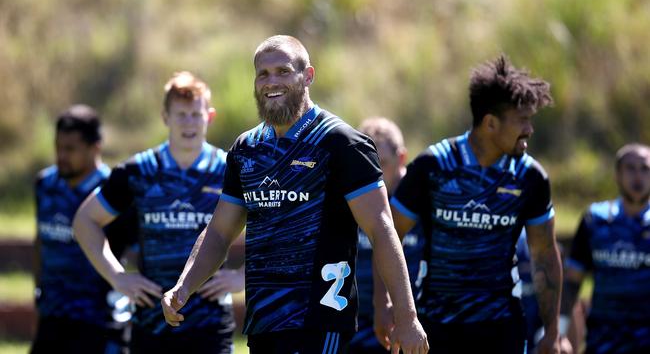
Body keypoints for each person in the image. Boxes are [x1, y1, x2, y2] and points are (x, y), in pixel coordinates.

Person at [161, 35, 429, 354]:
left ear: (308, 76)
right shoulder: (246, 149)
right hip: (263, 325)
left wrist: (406, 315)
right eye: (263, 73)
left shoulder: (341, 143)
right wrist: (184, 285)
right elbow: (219, 232)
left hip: (321, 322)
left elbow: (382, 230)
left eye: (283, 71)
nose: (271, 81)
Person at [384, 55, 563, 354]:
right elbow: (389, 237)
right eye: (522, 120)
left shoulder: (530, 177)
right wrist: (388, 307)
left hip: (502, 328)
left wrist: (553, 332)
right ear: (491, 123)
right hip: (434, 327)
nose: (530, 130)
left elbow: (545, 255)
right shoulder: (433, 165)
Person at [73, 71, 243, 354]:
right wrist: (117, 277)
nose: (189, 123)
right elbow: (84, 221)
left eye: (195, 114)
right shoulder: (140, 171)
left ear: (209, 117)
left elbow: (276, 225)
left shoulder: (231, 170)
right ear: (165, 117)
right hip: (150, 323)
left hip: (209, 324)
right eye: (180, 115)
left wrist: (242, 277)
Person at [31, 105, 133, 353]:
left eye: (70, 149)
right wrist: (39, 287)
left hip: (97, 322)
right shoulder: (45, 184)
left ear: (95, 147)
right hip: (52, 315)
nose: (61, 156)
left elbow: (136, 255)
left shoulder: (114, 193)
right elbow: (40, 241)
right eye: (58, 147)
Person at [561, 143, 650, 354]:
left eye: (645, 169)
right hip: (603, 342)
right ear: (617, 175)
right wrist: (560, 332)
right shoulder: (595, 219)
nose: (638, 176)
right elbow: (573, 282)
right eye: (630, 168)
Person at [350, 117, 425, 353]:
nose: (375, 173)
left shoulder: (423, 204)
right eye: (366, 164)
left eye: (382, 163)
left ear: (401, 158)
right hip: (355, 321)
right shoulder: (351, 199)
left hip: (408, 322)